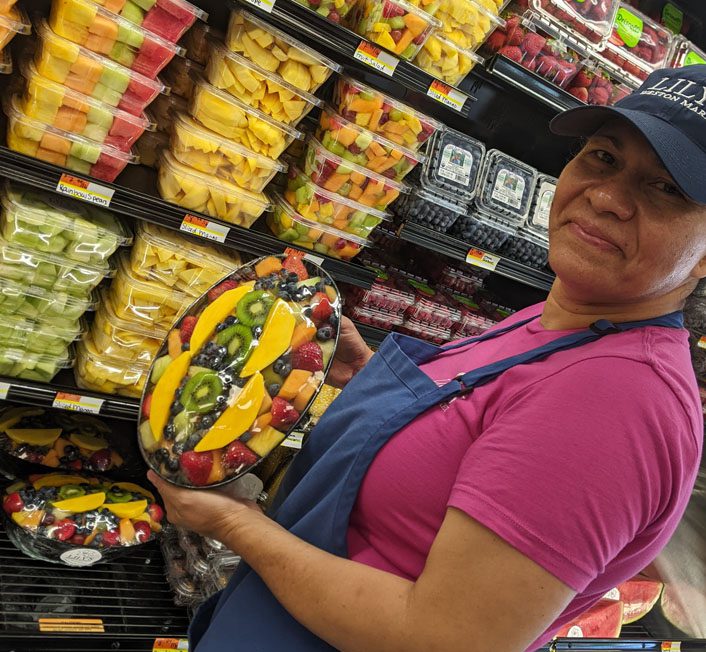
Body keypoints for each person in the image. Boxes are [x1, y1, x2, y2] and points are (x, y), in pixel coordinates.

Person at [149, 65, 706, 651]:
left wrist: (234, 524)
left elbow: (444, 639)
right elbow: (471, 450)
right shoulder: (568, 317)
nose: (607, 197)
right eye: (602, 157)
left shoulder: (616, 403)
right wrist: (370, 379)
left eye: (666, 189)